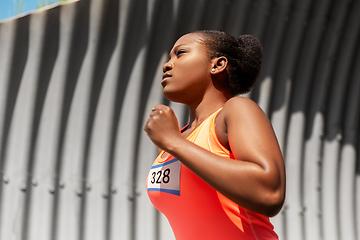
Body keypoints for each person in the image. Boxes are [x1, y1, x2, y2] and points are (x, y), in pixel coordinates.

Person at [144, 30, 285, 240]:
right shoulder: (173, 141)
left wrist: (173, 142)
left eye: (180, 53)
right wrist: (172, 142)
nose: (167, 64)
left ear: (217, 65)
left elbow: (269, 193)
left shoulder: (236, 110)